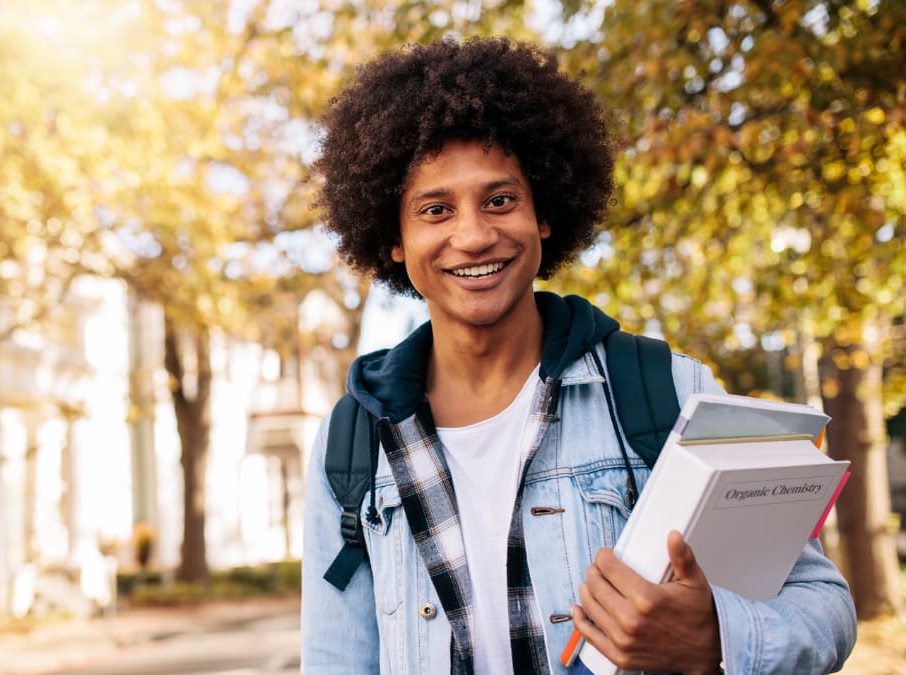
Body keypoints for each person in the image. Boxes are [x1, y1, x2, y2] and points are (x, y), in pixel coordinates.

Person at [300, 37, 856, 674]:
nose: (474, 234)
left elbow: (824, 607)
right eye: (435, 209)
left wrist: (716, 636)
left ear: (544, 217)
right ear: (393, 239)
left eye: (501, 200)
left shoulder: (668, 392)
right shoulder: (351, 446)